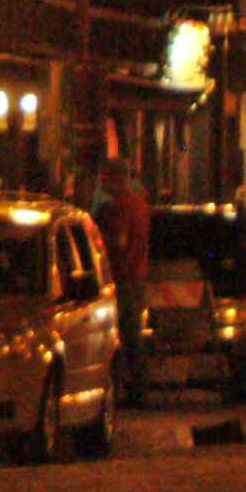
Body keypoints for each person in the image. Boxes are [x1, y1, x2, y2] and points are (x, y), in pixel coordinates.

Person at [98, 162, 152, 392]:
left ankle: (135, 385)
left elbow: (118, 242)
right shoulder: (139, 204)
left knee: (125, 334)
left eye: (105, 177)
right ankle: (136, 383)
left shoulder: (120, 207)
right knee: (131, 332)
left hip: (123, 277)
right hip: (136, 276)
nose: (101, 183)